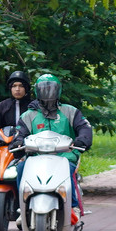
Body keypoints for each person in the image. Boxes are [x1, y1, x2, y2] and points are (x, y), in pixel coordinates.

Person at [17, 74, 93, 221]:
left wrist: (82, 140)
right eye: (43, 89)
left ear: (58, 91)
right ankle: (23, 206)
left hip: (64, 156)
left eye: (51, 89)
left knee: (69, 171)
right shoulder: (29, 114)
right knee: (20, 168)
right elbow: (19, 132)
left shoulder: (70, 111)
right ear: (37, 91)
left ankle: (73, 206)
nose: (48, 93)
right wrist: (18, 142)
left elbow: (84, 127)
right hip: (36, 157)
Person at [0, 71, 32, 216]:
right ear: (10, 88)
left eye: (21, 86)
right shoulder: (2, 106)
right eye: (14, 86)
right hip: (4, 146)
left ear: (26, 88)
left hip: (27, 147)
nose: (17, 89)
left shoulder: (34, 106)